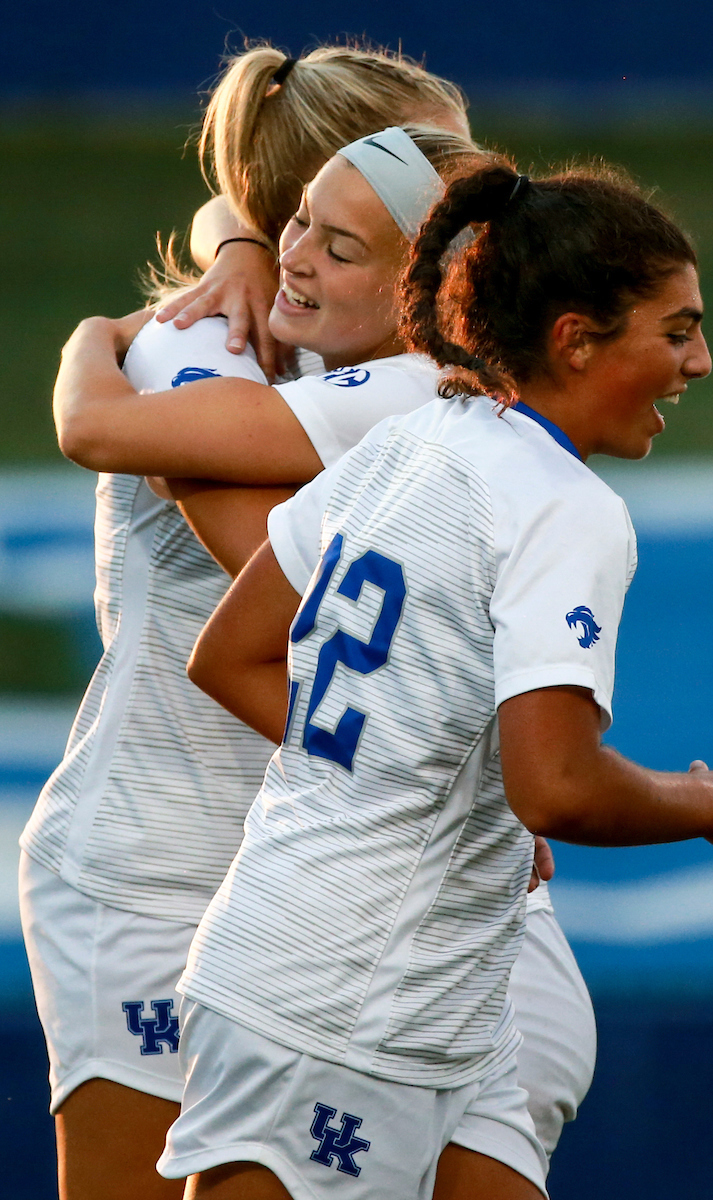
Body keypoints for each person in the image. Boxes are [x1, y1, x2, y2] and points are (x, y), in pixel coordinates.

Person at [153, 159, 713, 1200]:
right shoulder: (563, 509)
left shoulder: (409, 439)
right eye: (675, 331)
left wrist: (398, 777)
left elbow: (234, 652)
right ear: (574, 338)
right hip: (347, 1004)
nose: (698, 362)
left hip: (342, 974)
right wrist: (700, 800)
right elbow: (556, 787)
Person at [17, 43, 479, 1200]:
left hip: (292, 878)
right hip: (151, 871)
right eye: (428, 170)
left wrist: (117, 317)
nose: (468, 201)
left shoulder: (371, 356)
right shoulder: (201, 352)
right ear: (319, 205)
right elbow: (301, 611)